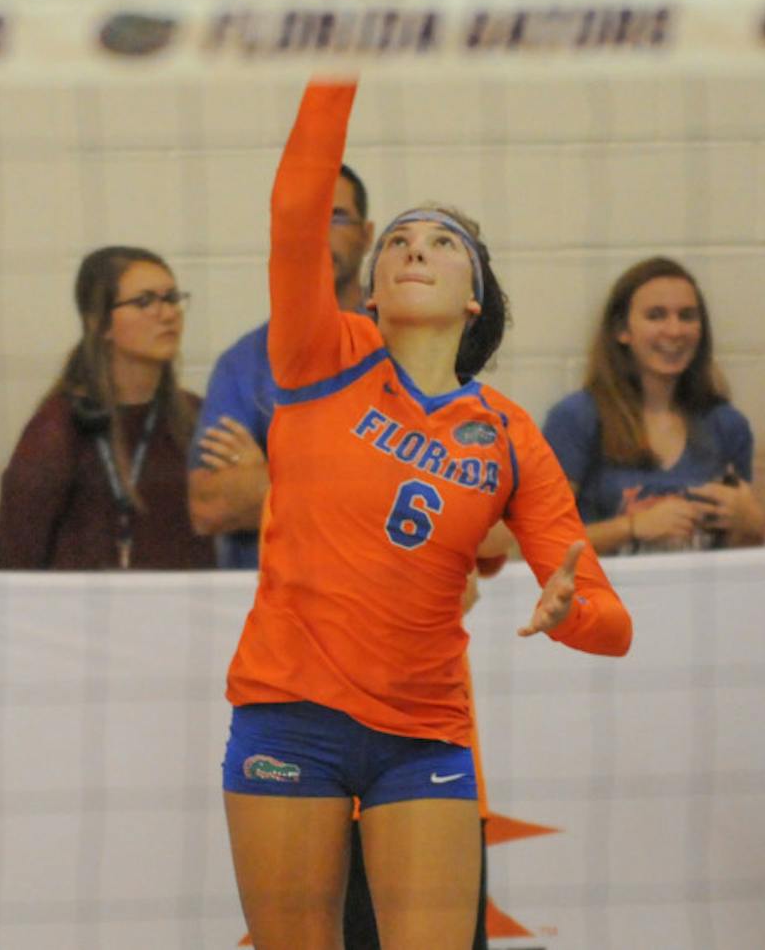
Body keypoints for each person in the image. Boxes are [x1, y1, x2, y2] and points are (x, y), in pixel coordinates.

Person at [221, 72, 632, 949]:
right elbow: (296, 209)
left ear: (472, 293)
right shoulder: (322, 354)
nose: (414, 248)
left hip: (424, 737)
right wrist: (339, 42)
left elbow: (612, 622)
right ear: (368, 287)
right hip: (290, 713)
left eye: (441, 242)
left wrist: (573, 611)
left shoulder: (509, 433)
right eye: (397, 239)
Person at [188, 162, 373, 570]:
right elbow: (210, 504)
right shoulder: (243, 365)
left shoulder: (412, 348)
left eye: (336, 217)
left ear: (367, 235)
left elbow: (447, 496)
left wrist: (269, 475)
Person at [0, 245, 214, 571]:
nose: (167, 314)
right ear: (99, 322)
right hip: (81, 618)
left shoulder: (197, 416)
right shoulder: (57, 430)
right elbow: (11, 563)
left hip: (187, 614)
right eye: (144, 301)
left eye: (172, 298)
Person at [542, 256, 765, 556]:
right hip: (603, 599)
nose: (674, 331)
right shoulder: (577, 419)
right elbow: (542, 541)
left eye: (686, 316)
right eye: (656, 315)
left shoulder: (727, 425)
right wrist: (632, 527)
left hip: (702, 599)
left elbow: (744, 554)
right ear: (622, 330)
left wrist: (751, 524)